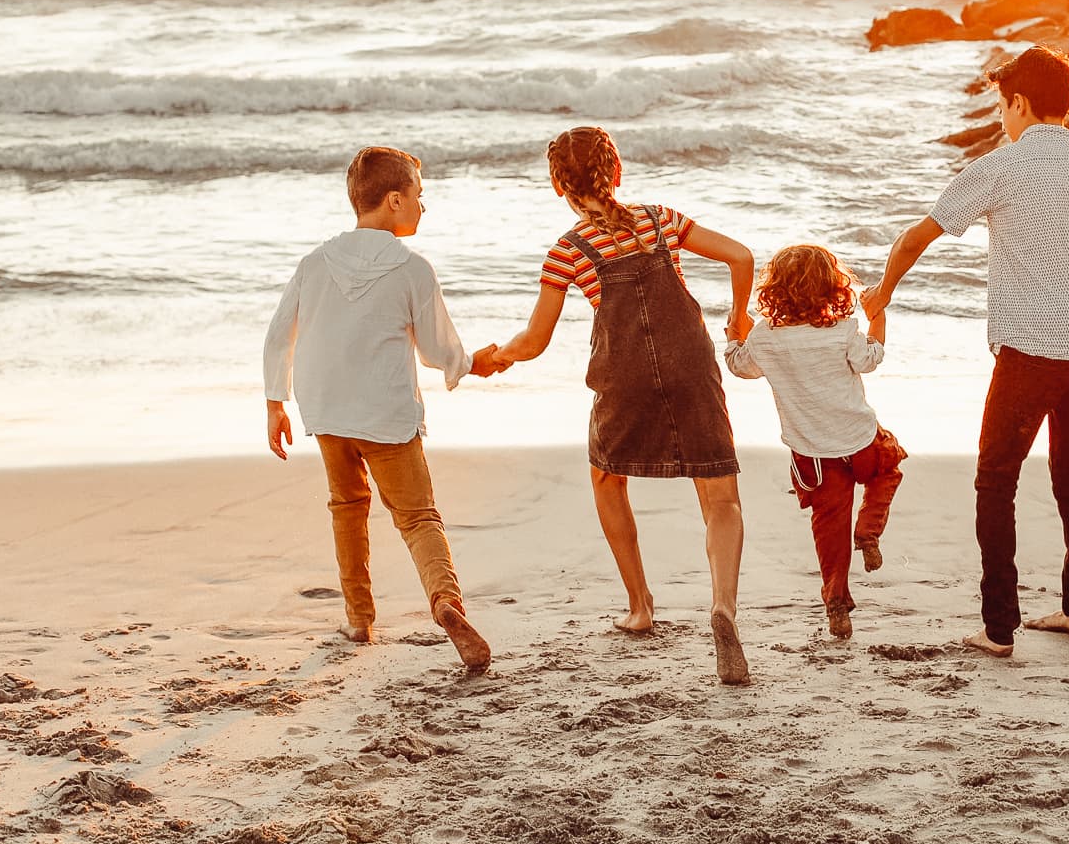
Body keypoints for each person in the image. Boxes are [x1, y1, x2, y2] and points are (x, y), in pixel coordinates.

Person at [863, 45, 1069, 659]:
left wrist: (881, 295)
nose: (1001, 118)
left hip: (1029, 354)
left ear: (1020, 103)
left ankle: (999, 628)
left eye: (1002, 106)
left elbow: (918, 235)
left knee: (995, 481)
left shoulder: (1000, 167)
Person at [490, 126, 756, 685]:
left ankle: (639, 606)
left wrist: (499, 357)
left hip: (623, 372)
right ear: (616, 173)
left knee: (608, 478)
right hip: (690, 362)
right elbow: (740, 255)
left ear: (560, 186)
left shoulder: (567, 251)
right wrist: (738, 318)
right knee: (718, 490)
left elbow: (535, 341)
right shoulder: (661, 220)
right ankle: (723, 608)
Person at [263, 145, 505, 673]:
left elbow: (280, 335)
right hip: (385, 412)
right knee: (418, 516)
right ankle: (445, 601)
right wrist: (474, 363)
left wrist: (274, 402)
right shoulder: (411, 268)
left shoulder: (313, 263)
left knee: (347, 507)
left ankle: (359, 618)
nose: (424, 206)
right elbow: (438, 348)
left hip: (325, 410)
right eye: (420, 196)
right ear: (395, 200)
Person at [725, 244, 906, 640]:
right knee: (888, 469)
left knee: (829, 527)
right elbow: (870, 360)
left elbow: (741, 367)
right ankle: (869, 531)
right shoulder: (842, 331)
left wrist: (732, 336)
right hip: (859, 439)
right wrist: (878, 318)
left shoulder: (764, 338)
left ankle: (837, 602)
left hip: (813, 454)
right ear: (832, 287)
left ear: (774, 291)